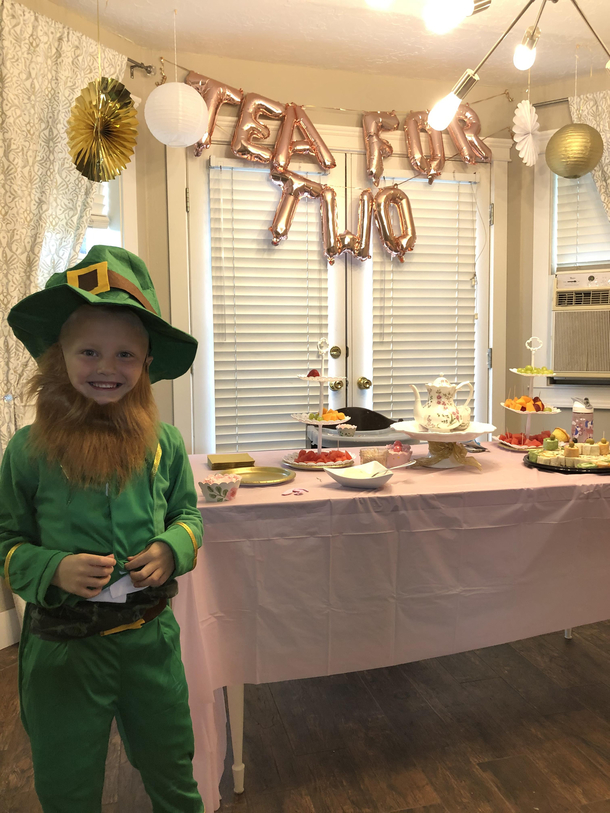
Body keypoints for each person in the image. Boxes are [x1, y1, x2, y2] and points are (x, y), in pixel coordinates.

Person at [0, 246, 205, 813]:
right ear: (58, 356)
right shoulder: (27, 451)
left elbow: (188, 515)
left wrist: (172, 547)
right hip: (64, 653)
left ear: (145, 364)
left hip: (149, 642)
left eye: (126, 355)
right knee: (66, 783)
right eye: (88, 351)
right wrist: (52, 567)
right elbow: (4, 541)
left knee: (172, 767)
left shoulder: (164, 445)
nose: (107, 368)